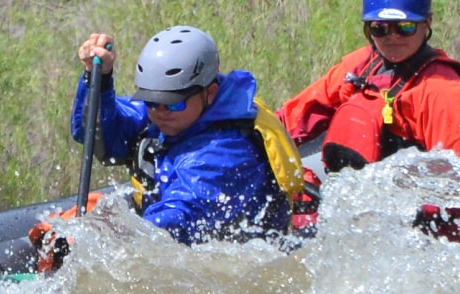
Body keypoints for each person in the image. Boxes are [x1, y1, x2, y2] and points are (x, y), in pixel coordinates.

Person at [68, 26, 299, 243]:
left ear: (210, 92)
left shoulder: (224, 152)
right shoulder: (173, 114)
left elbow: (175, 221)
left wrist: (111, 236)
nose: (160, 112)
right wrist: (99, 79)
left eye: (173, 104)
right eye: (151, 102)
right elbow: (95, 132)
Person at [278, 0, 460, 171]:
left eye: (405, 27)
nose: (392, 37)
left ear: (426, 24)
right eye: (380, 27)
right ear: (368, 28)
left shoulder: (442, 89)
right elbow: (293, 118)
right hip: (350, 181)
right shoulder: (360, 65)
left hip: (409, 195)